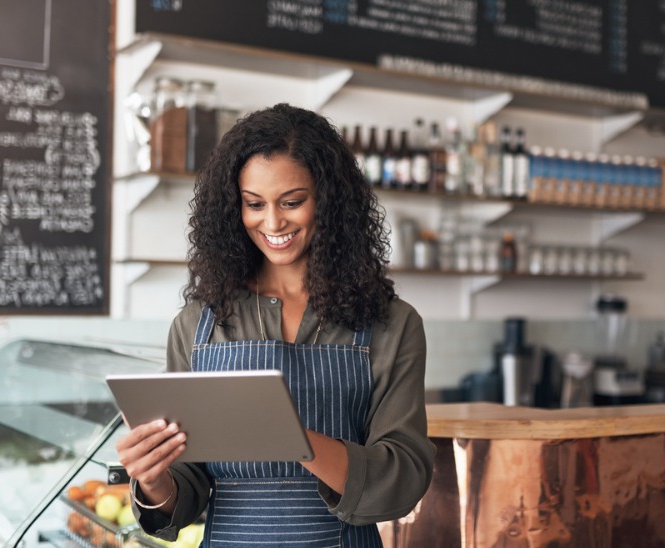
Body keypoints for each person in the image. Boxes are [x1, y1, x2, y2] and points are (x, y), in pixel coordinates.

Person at [115, 104, 435, 547]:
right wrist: (152, 479)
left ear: (329, 201)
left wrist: (291, 436)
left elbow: (404, 475)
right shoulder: (197, 325)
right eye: (254, 204)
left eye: (292, 202)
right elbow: (185, 493)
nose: (273, 222)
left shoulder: (391, 324)